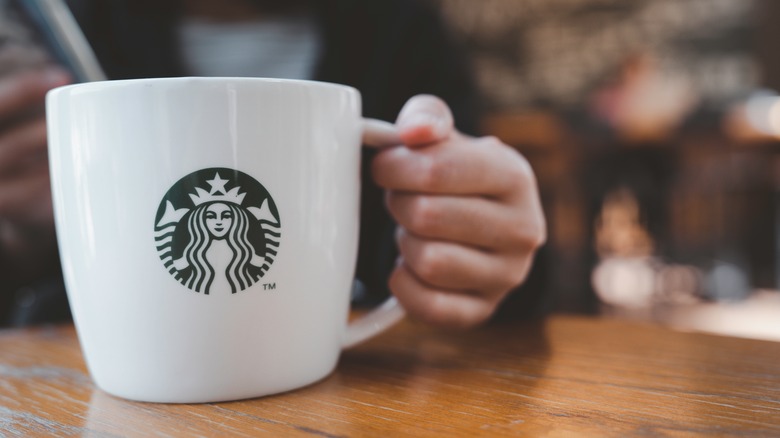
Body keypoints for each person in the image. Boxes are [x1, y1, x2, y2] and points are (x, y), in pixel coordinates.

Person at [0, 0, 546, 328]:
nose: (215, 221)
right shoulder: (44, 25)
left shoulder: (403, 30)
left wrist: (483, 238)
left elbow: (457, 251)